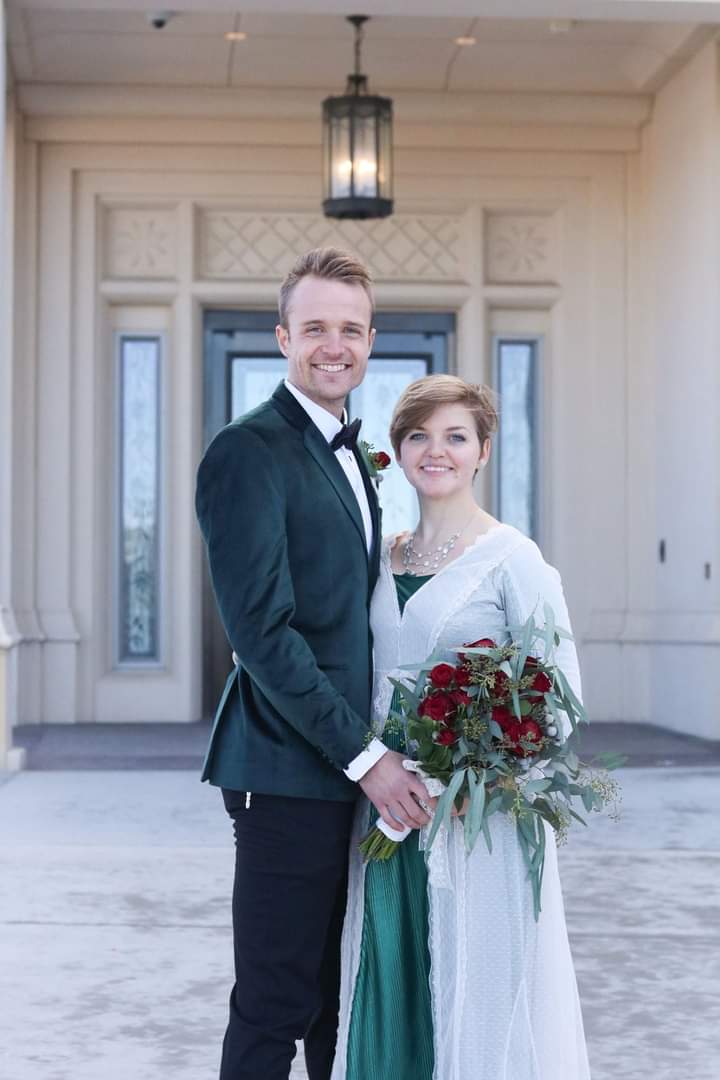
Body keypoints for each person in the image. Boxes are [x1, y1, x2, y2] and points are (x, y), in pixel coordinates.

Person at [195, 248, 431, 1080]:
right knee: (274, 1001)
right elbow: (261, 634)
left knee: (344, 996)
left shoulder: (354, 458)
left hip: (347, 764)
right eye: (317, 329)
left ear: (370, 342)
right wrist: (367, 759)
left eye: (353, 330)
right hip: (286, 770)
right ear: (282, 337)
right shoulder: (247, 451)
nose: (336, 346)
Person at [332, 374, 591, 1080]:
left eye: (455, 436)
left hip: (479, 821)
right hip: (386, 808)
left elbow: (558, 701)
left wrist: (474, 769)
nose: (435, 451)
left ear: (482, 451)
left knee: (475, 991)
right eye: (418, 435)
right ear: (398, 450)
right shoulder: (379, 557)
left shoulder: (516, 561)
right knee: (386, 972)